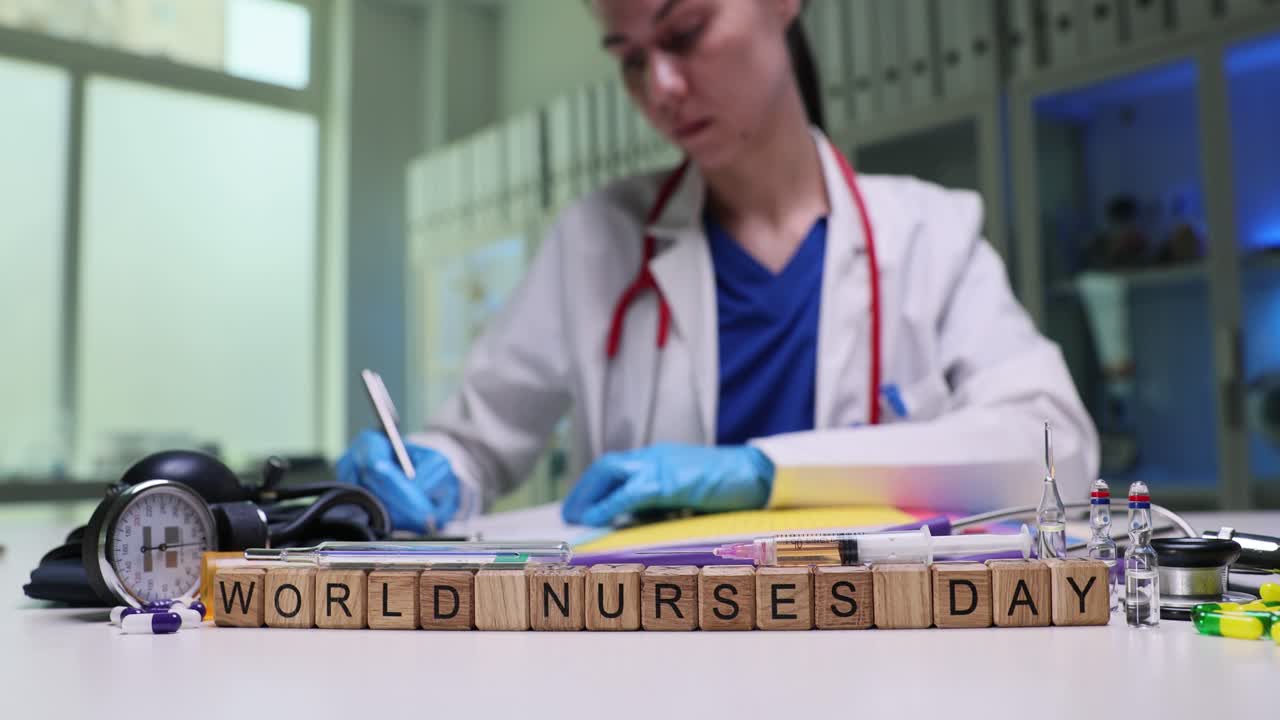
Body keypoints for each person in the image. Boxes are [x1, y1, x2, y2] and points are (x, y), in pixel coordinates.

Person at [337, 0, 1100, 532]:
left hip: (888, 654)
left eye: (685, 32)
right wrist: (424, 468)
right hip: (660, 658)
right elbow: (475, 444)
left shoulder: (930, 231)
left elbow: (1055, 448)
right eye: (631, 59)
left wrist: (766, 471)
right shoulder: (597, 239)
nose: (660, 89)